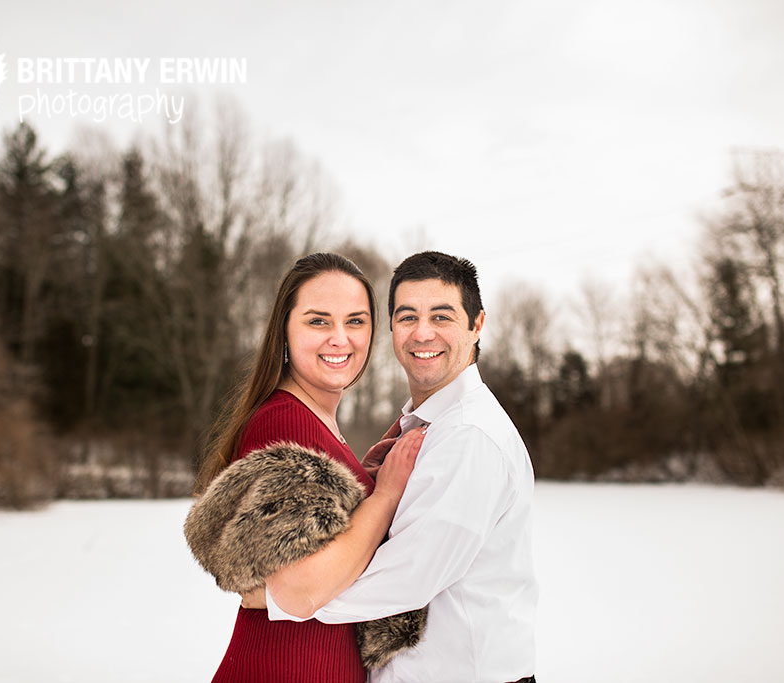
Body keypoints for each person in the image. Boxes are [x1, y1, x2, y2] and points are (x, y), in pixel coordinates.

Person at [263, 251, 539, 683]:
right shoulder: (427, 428)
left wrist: (285, 594)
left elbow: (410, 575)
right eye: (407, 316)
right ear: (391, 328)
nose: (422, 332)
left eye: (442, 316)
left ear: (477, 325)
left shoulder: (470, 436)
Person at [186, 252, 426, 683]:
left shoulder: (316, 421)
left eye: (355, 321)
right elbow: (296, 591)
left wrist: (361, 482)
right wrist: (385, 496)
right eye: (318, 321)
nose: (340, 338)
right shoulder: (284, 420)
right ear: (284, 331)